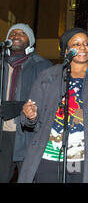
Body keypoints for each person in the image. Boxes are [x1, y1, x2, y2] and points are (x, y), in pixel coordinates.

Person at [18, 28, 88, 183]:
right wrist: (30, 115)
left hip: (81, 158)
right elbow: (31, 115)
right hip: (49, 157)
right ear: (66, 50)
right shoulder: (49, 76)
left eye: (86, 44)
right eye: (76, 44)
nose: (82, 47)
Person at [0, 23, 52, 182]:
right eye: (12, 33)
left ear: (30, 40)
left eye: (21, 33)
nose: (15, 36)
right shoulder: (1, 62)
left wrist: (20, 106)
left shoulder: (43, 66)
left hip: (28, 136)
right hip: (3, 136)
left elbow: (49, 102)